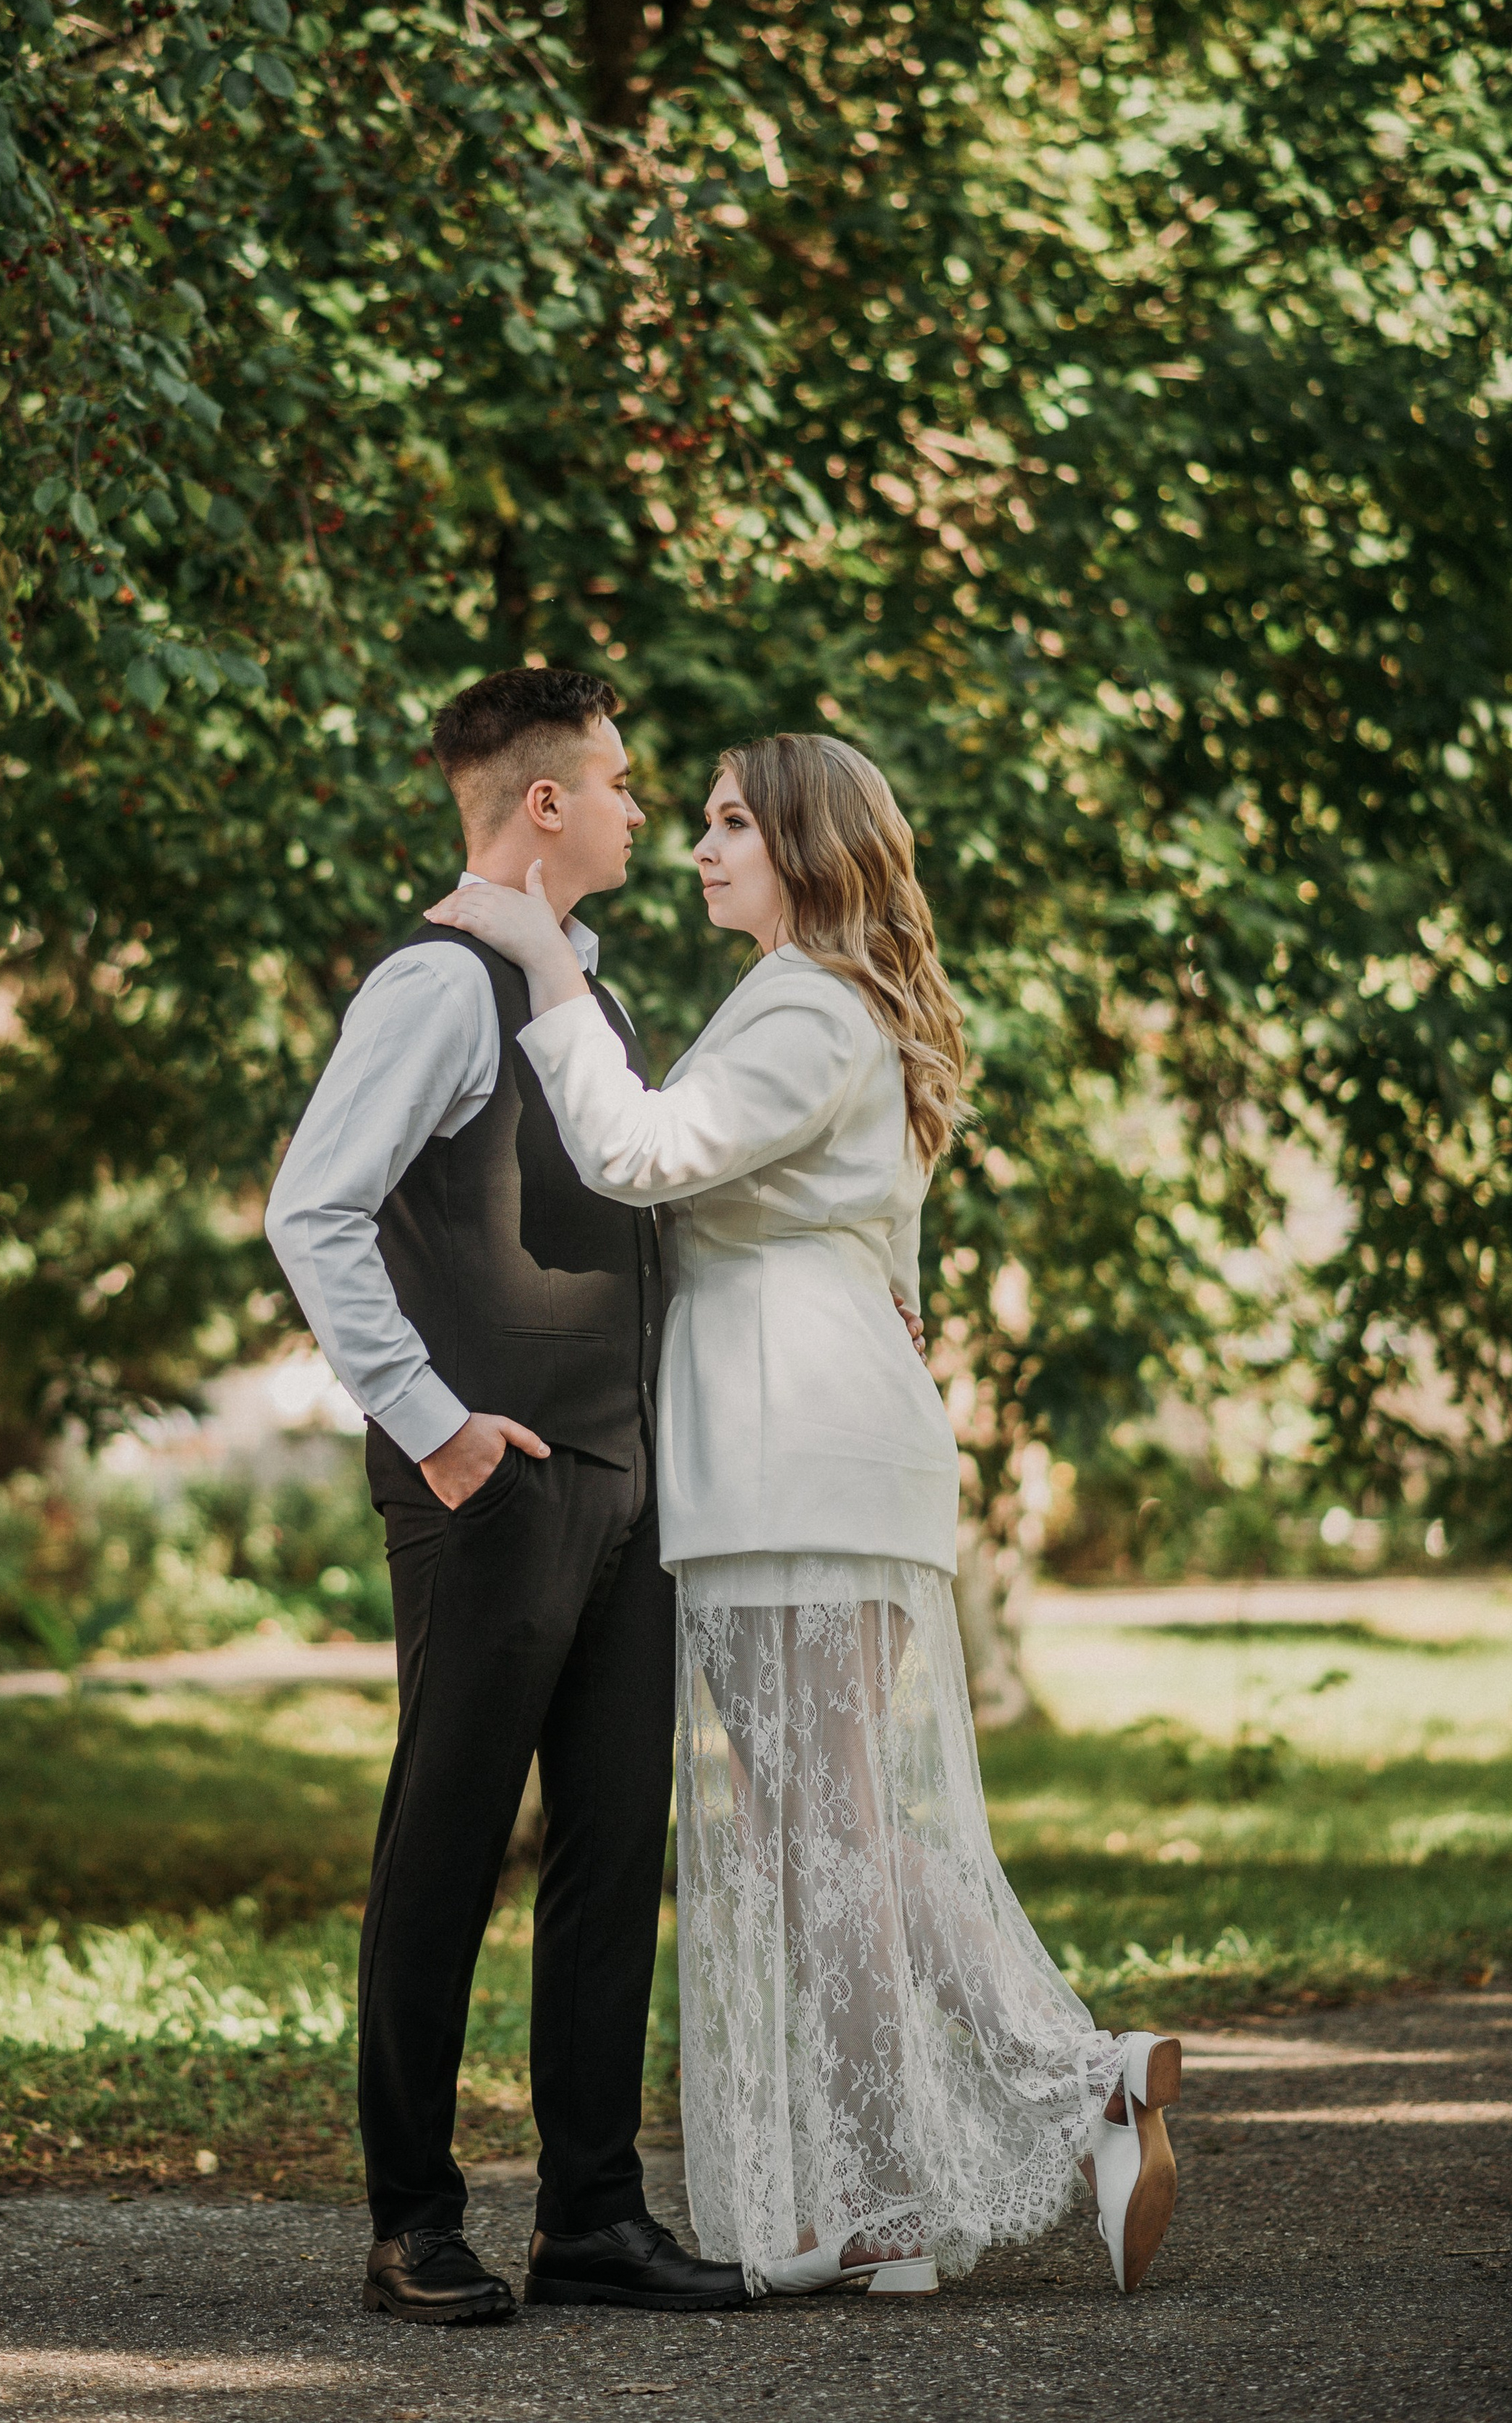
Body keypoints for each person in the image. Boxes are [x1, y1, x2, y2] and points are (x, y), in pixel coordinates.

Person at [426, 731, 1182, 2302]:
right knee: (821, 1824)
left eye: (730, 825)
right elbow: (882, 1246)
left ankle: (1073, 2078)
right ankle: (891, 2199)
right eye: (699, 820)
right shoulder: (829, 1001)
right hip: (817, 1433)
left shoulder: (805, 1003)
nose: (699, 847)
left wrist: (541, 959)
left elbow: (640, 1154)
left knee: (826, 1823)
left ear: (808, 849)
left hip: (789, 1444)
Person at [266, 667, 748, 2325]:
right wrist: (432, 1425)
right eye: (617, 781)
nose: (639, 808)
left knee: (612, 1851)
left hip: (625, 1488)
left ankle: (592, 2215)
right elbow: (310, 1212)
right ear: (543, 803)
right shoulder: (433, 985)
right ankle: (411, 2217)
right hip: (487, 1487)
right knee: (448, 1840)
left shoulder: (578, 991)